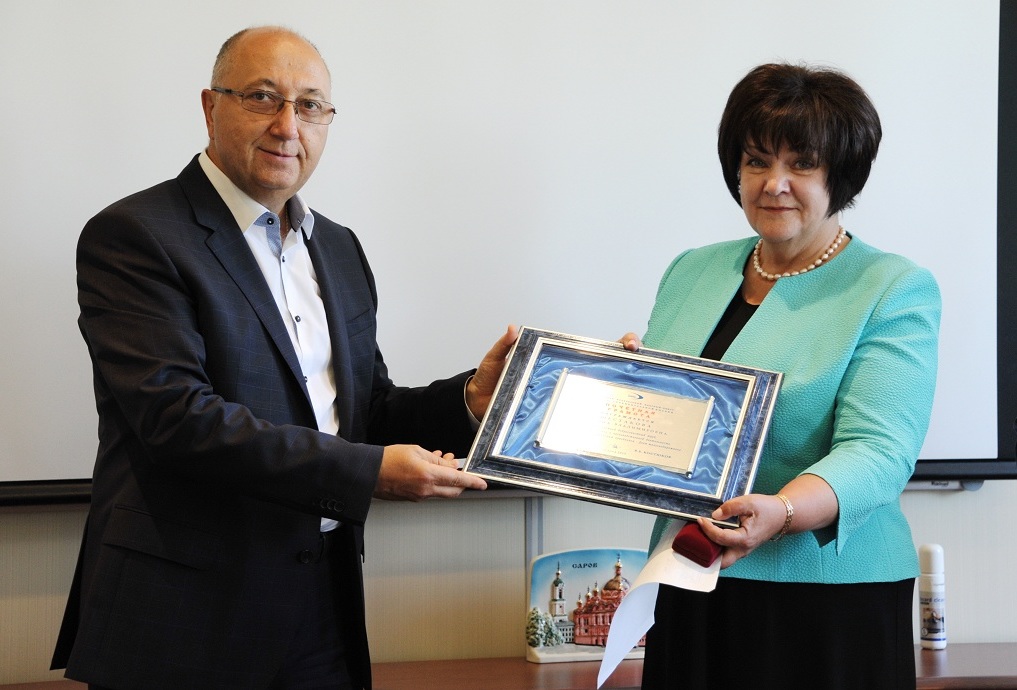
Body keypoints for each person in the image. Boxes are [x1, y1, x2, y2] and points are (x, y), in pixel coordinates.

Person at [51, 26, 516, 690]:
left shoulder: (339, 248)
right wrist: (367, 473)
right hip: (184, 618)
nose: (287, 125)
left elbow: (365, 410)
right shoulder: (136, 236)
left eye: (310, 105)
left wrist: (470, 400)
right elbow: (180, 421)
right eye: (262, 97)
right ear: (211, 107)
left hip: (322, 604)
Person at [622, 63, 940, 689]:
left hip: (824, 598)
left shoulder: (893, 287)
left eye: (802, 164)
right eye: (756, 161)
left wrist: (785, 510)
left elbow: (879, 452)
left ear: (840, 176)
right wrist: (622, 384)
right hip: (688, 571)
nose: (774, 184)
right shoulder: (691, 270)